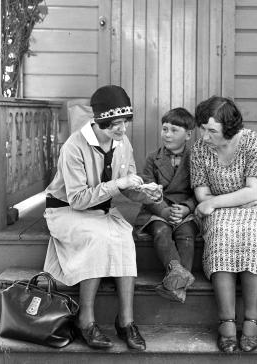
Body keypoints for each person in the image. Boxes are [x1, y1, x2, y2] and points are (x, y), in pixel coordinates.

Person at [43, 85, 162, 351]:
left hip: (100, 210)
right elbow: (77, 199)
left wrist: (146, 195)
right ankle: (85, 319)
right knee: (96, 238)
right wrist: (119, 183)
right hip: (67, 210)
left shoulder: (123, 143)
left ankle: (126, 321)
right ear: (98, 121)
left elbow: (128, 189)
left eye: (125, 123)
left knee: (123, 237)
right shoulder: (74, 146)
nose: (121, 130)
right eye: (114, 124)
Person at [190, 96, 257, 353]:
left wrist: (216, 201)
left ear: (230, 131)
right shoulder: (199, 149)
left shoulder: (254, 142)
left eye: (212, 131)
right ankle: (226, 320)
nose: (205, 136)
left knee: (253, 234)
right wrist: (228, 200)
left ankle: (253, 316)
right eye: (202, 128)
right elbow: (202, 196)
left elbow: (255, 193)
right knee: (220, 234)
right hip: (220, 212)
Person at [135, 107, 198, 303]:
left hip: (185, 211)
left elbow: (201, 190)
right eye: (165, 129)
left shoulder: (196, 158)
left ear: (188, 135)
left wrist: (187, 207)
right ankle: (179, 276)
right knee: (161, 231)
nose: (167, 134)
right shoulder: (153, 158)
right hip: (157, 209)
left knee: (186, 233)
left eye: (174, 130)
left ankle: (176, 282)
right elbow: (146, 189)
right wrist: (163, 209)